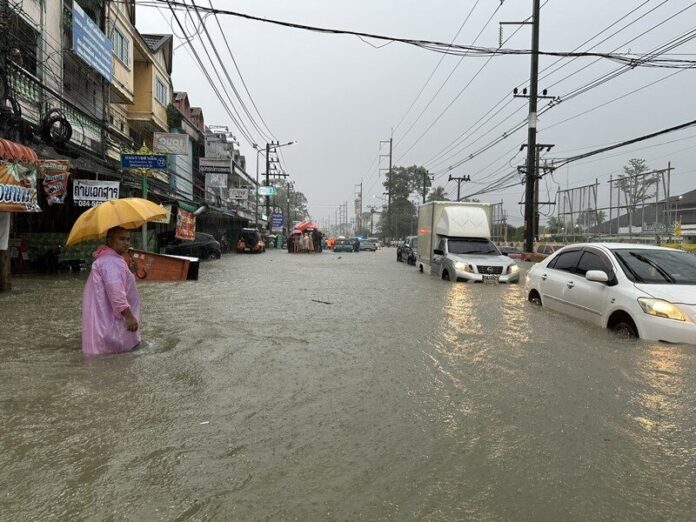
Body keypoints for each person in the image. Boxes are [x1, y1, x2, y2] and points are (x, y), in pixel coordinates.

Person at [82, 226, 141, 355]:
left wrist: (129, 272)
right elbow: (116, 292)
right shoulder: (111, 262)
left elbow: (116, 285)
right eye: (121, 239)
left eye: (128, 239)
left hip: (101, 323)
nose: (126, 243)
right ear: (109, 240)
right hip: (113, 328)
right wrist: (129, 317)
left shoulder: (105, 259)